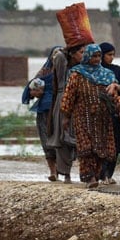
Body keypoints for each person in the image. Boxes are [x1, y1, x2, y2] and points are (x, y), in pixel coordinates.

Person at [60, 44, 120, 189]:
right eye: (94, 56)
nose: (97, 59)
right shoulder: (76, 74)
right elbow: (69, 96)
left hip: (103, 118)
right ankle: (89, 177)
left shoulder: (107, 75)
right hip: (82, 117)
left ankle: (96, 176)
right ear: (87, 56)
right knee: (86, 148)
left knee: (101, 149)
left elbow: (114, 95)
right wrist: (65, 116)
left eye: (98, 56)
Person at [47, 44, 85, 184]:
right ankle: (66, 173)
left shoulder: (83, 68)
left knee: (80, 138)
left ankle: (86, 173)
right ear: (72, 53)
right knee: (63, 139)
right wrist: (66, 49)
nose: (83, 55)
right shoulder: (63, 66)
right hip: (63, 102)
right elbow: (59, 57)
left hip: (79, 103)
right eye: (81, 52)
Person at [22, 47, 59, 181]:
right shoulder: (44, 72)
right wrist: (36, 92)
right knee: (46, 141)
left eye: (60, 54)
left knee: (62, 141)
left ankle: (64, 171)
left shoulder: (67, 72)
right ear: (50, 57)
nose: (57, 57)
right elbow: (31, 89)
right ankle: (53, 171)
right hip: (44, 112)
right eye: (54, 55)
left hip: (61, 111)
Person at [98, 42, 120, 185]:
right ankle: (101, 175)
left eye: (113, 55)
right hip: (100, 112)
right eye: (109, 55)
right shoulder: (95, 71)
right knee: (103, 144)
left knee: (116, 144)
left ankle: (109, 174)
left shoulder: (116, 69)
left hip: (116, 111)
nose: (111, 58)